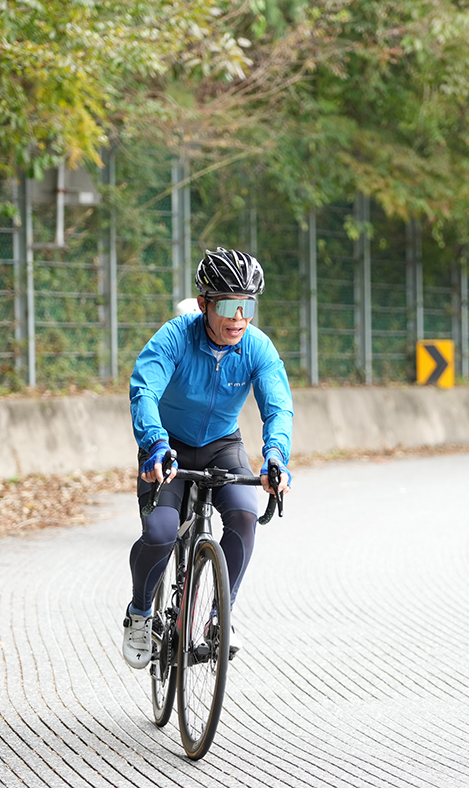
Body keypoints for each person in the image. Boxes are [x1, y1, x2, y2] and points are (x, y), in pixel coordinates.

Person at [122, 247, 293, 669]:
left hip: (221, 444)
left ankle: (221, 616)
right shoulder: (175, 337)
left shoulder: (257, 347)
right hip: (167, 445)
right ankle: (140, 614)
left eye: (248, 306)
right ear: (204, 304)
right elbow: (144, 391)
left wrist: (275, 456)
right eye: (229, 306)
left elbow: (278, 408)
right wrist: (155, 443)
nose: (239, 318)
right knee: (161, 531)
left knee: (244, 516)